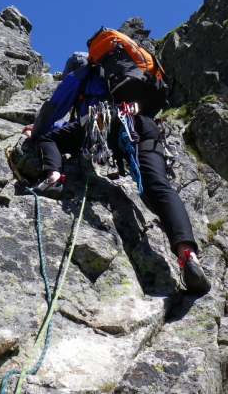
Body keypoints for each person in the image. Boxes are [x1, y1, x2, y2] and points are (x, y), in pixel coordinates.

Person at [22, 37, 211, 294]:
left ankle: (54, 178)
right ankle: (188, 255)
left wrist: (37, 131)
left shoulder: (79, 75)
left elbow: (52, 112)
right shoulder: (120, 76)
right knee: (158, 187)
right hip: (144, 125)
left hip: (105, 120)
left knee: (47, 139)